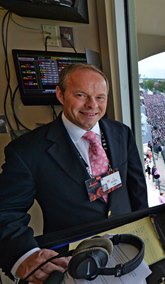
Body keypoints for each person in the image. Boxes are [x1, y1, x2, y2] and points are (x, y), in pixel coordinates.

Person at [0, 63, 148, 283]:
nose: (92, 105)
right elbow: (5, 210)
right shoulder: (27, 151)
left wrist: (147, 228)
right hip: (71, 261)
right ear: (60, 94)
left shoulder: (121, 133)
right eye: (81, 95)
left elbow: (137, 188)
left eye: (100, 97)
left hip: (128, 247)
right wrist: (25, 255)